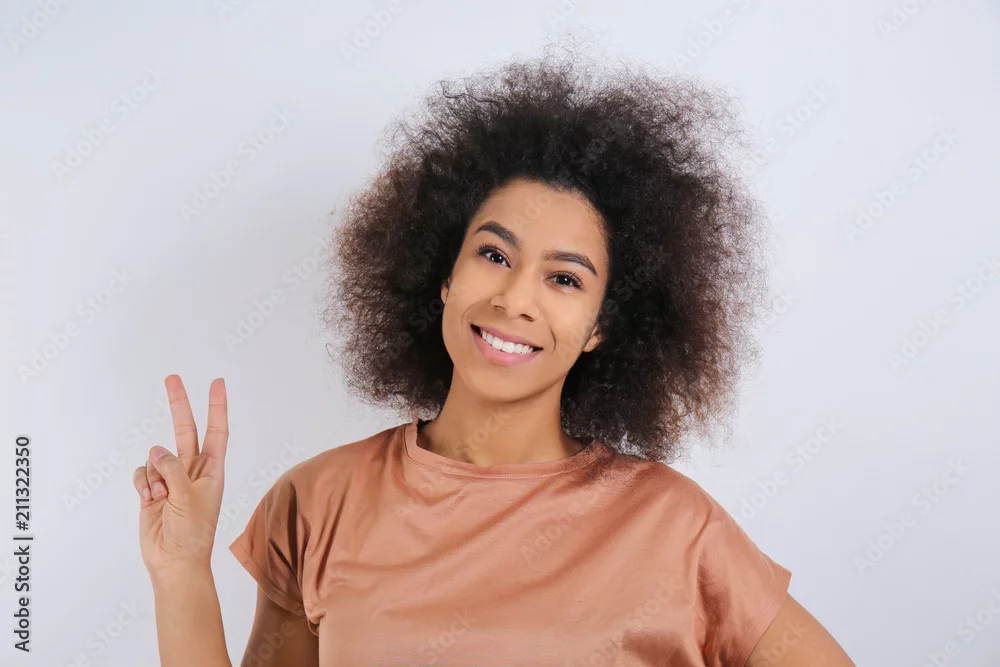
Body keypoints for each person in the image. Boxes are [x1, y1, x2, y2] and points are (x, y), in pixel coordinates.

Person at [133, 43, 856, 666]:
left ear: (601, 326)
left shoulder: (674, 525)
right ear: (444, 275)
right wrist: (181, 569)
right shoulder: (318, 501)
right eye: (494, 254)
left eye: (564, 279)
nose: (515, 298)